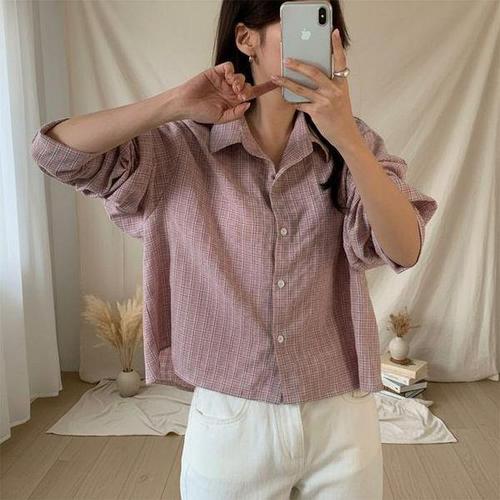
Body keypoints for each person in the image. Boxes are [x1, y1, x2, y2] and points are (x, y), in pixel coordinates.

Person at [31, 1, 438, 498]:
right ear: (247, 39)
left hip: (342, 416)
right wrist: (175, 103)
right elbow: (54, 153)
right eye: (297, 24)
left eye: (326, 28)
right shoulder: (179, 148)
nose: (317, 43)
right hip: (231, 417)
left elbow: (405, 248)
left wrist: (347, 137)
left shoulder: (355, 144)